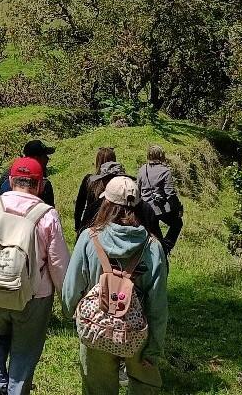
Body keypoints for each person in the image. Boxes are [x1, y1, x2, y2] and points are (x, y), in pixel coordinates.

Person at [0, 157, 71, 395]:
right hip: (34, 297)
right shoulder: (47, 215)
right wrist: (68, 301)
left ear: (10, 181)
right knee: (25, 351)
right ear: (40, 185)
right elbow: (59, 263)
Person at [62, 176, 168, 395]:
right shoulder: (153, 247)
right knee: (144, 386)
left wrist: (73, 314)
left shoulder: (88, 238)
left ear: (106, 204)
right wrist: (153, 350)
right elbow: (158, 306)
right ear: (139, 205)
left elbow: (71, 288)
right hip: (138, 332)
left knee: (97, 389)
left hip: (97, 328)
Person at [77, 161, 163, 242]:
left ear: (104, 182)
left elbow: (81, 241)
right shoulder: (146, 208)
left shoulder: (94, 208)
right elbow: (158, 241)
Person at [138, 145, 184, 254]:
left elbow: (138, 189)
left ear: (148, 155)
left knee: (152, 233)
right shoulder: (165, 171)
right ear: (161, 156)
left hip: (145, 208)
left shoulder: (142, 169)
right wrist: (178, 208)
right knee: (177, 223)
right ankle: (166, 248)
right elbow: (170, 194)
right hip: (161, 208)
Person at [0, 139, 56, 206]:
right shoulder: (44, 183)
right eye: (45, 156)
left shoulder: (7, 174)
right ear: (37, 158)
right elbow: (48, 212)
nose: (47, 159)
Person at [74, 147, 117, 232]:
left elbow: (79, 205)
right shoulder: (117, 182)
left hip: (90, 223)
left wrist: (78, 225)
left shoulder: (89, 180)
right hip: (110, 223)